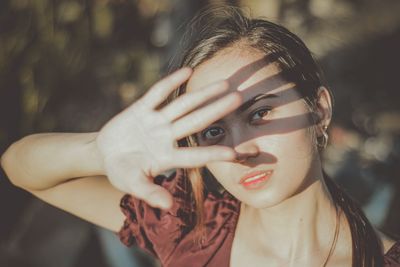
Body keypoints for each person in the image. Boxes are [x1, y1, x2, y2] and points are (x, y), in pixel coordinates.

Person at [1, 6, 399, 267]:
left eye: (260, 112)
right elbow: (19, 167)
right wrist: (97, 151)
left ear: (320, 109)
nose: (237, 150)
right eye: (214, 130)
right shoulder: (193, 227)